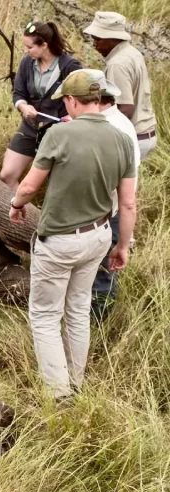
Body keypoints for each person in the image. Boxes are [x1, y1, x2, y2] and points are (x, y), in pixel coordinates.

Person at [9, 69, 136, 400]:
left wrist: (16, 204)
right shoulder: (122, 138)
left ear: (71, 100)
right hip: (98, 236)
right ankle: (76, 383)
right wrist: (122, 245)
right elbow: (129, 203)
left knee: (46, 317)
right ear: (98, 99)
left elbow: (29, 186)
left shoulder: (58, 135)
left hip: (59, 240)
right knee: (78, 310)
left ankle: (59, 394)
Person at [0, 21, 82, 191]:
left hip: (58, 131)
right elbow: (18, 93)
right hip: (31, 127)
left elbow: (81, 98)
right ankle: (20, 213)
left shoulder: (69, 65)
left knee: (56, 185)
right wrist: (23, 107)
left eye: (29, 47)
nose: (25, 50)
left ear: (44, 45)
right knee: (7, 175)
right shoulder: (27, 63)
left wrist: (72, 117)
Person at [91, 78, 140, 321]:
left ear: (95, 100)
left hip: (109, 211)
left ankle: (99, 326)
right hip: (114, 208)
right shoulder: (119, 122)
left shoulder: (112, 128)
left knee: (102, 272)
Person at [85, 11, 158, 160]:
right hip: (145, 133)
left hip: (132, 137)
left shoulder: (117, 64)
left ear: (112, 38)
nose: (94, 44)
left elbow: (125, 109)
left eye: (98, 39)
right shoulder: (132, 52)